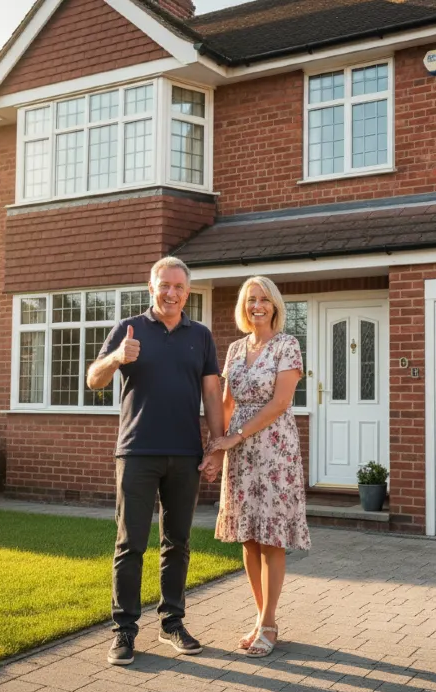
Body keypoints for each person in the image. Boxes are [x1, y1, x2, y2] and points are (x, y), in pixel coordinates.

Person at [86, 256, 225, 667]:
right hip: (136, 452)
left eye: (179, 287)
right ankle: (124, 631)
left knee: (177, 543)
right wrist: (115, 358)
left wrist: (216, 447)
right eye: (164, 285)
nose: (171, 293)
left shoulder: (200, 336)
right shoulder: (130, 329)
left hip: (185, 453)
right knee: (130, 544)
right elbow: (93, 379)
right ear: (151, 287)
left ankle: (172, 623)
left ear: (188, 293)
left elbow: (212, 395)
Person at [204, 276, 311, 658]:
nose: (257, 305)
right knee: (248, 537)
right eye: (251, 299)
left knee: (270, 538)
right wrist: (216, 449)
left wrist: (237, 435)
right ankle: (259, 618)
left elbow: (281, 402)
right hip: (240, 454)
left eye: (264, 299)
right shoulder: (234, 349)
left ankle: (269, 622)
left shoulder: (287, 345)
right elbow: (227, 404)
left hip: (274, 448)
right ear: (243, 306)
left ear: (275, 305)